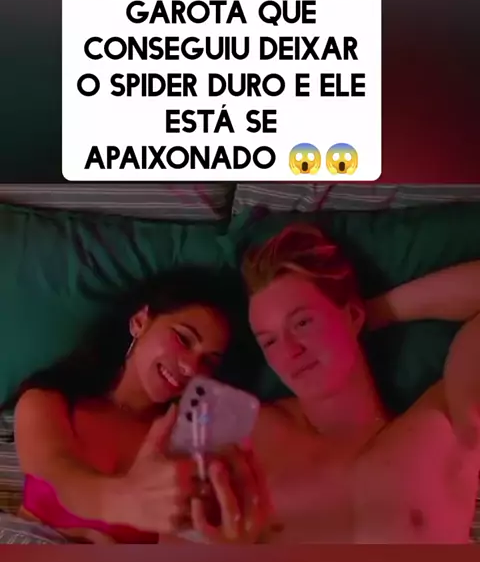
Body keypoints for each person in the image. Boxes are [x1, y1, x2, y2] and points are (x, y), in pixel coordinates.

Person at [242, 223, 480, 543]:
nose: (290, 352)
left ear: (353, 315)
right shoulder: (251, 431)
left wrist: (380, 311)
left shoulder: (440, 425)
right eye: (269, 341)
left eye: (302, 322)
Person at [10, 266, 272, 545]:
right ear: (140, 321)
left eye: (207, 361)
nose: (190, 367)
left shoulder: (187, 446)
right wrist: (121, 500)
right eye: (183, 339)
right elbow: (56, 471)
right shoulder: (50, 400)